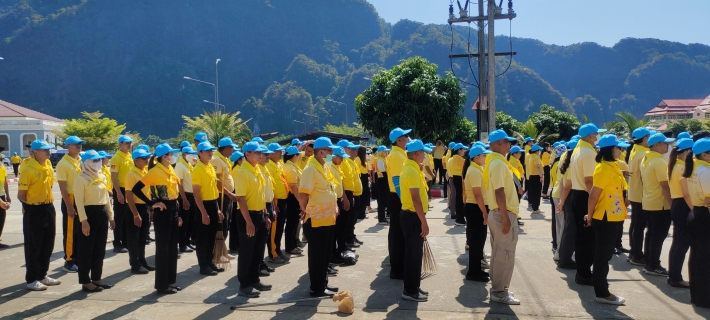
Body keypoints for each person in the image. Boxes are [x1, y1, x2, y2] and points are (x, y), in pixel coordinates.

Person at [130, 143, 184, 294]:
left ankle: (170, 281)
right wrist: (151, 203)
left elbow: (174, 193)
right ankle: (162, 285)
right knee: (163, 248)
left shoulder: (170, 169)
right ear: (164, 157)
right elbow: (136, 189)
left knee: (173, 247)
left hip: (173, 207)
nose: (173, 156)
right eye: (171, 154)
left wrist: (178, 214)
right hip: (163, 210)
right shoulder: (154, 172)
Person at [584, 135, 629, 305]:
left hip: (614, 216)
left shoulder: (613, 167)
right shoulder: (603, 169)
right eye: (619, 148)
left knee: (605, 255)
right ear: (610, 149)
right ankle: (602, 293)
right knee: (602, 256)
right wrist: (589, 215)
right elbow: (593, 196)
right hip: (605, 218)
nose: (621, 150)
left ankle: (602, 289)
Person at [483, 130, 520, 305]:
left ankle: (499, 289)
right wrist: (505, 217)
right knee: (504, 254)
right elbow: (499, 191)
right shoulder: (497, 164)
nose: (509, 146)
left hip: (499, 213)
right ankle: (499, 291)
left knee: (500, 252)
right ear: (499, 143)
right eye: (507, 142)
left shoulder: (495, 162)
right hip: (502, 213)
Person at [299, 137, 339, 297]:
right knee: (318, 256)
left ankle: (323, 284)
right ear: (321, 152)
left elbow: (329, 189)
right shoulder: (310, 169)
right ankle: (317, 288)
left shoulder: (324, 167)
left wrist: (334, 206)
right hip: (316, 220)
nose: (331, 153)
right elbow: (303, 195)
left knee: (325, 254)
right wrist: (307, 211)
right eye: (329, 150)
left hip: (327, 219)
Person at [20, 140, 62, 291]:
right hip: (34, 209)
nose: (48, 152)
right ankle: (31, 279)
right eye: (45, 150)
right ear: (35, 152)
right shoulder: (28, 169)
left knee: (47, 243)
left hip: (48, 207)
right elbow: (21, 195)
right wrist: (31, 208)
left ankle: (42, 275)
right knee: (34, 245)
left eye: (49, 149)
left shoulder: (48, 165)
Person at [569, 124, 606, 286]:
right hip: (586, 196)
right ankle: (584, 273)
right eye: (596, 134)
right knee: (588, 238)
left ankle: (582, 271)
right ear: (590, 136)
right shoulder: (588, 153)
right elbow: (589, 180)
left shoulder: (578, 150)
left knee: (581, 236)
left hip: (578, 195)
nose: (597, 137)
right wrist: (595, 201)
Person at [74, 150, 116, 292]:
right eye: (94, 160)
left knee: (99, 249)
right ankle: (85, 281)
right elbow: (78, 203)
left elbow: (106, 200)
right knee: (86, 249)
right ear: (86, 163)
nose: (97, 163)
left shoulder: (102, 177)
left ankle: (96, 277)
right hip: (88, 215)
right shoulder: (81, 179)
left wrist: (110, 216)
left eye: (99, 160)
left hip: (101, 214)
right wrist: (84, 221)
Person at [234, 142, 272, 298]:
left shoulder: (257, 170)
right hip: (247, 216)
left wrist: (266, 215)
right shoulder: (243, 172)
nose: (260, 155)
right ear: (247, 154)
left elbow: (261, 196)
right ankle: (244, 284)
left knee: (258, 250)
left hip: (259, 214)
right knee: (247, 252)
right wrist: (249, 222)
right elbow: (241, 199)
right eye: (256, 152)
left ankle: (254, 279)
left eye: (260, 153)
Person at [397, 140, 431, 302]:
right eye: (423, 152)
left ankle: (414, 287)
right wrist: (423, 222)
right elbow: (415, 199)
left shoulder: (413, 168)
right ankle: (409, 290)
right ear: (417, 153)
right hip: (412, 216)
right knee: (412, 255)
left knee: (415, 254)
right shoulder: (410, 171)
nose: (425, 155)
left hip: (413, 215)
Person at [641, 133, 675, 276]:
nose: (667, 145)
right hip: (660, 203)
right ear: (656, 145)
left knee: (651, 234)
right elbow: (665, 186)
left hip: (649, 201)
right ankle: (654, 265)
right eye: (665, 143)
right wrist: (672, 204)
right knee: (658, 236)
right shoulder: (659, 161)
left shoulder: (646, 157)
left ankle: (649, 262)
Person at [682, 138, 710, 308]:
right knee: (705, 259)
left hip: (696, 214)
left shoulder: (693, 168)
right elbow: (709, 200)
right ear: (705, 154)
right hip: (704, 215)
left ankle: (697, 295)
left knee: (697, 257)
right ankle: (705, 298)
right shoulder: (705, 171)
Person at [190, 142, 223, 276]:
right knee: (203, 238)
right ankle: (203, 266)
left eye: (211, 150)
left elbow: (214, 189)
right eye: (207, 151)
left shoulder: (209, 167)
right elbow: (196, 193)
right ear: (199, 153)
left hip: (212, 204)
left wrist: (218, 209)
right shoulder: (197, 170)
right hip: (202, 205)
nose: (210, 153)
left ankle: (210, 262)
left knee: (211, 237)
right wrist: (203, 213)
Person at [56, 135, 85, 273]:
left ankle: (79, 258)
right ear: (67, 146)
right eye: (75, 144)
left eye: (80, 143)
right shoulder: (63, 163)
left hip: (82, 198)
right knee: (70, 232)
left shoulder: (81, 160)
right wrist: (69, 206)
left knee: (79, 231)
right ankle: (69, 260)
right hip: (71, 198)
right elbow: (62, 187)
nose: (79, 146)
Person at [667, 138, 693, 288]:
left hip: (677, 204)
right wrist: (694, 209)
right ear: (688, 151)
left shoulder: (674, 165)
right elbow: (686, 193)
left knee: (677, 242)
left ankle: (673, 276)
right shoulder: (682, 168)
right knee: (682, 244)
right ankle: (676, 277)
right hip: (683, 205)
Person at [463, 145, 491, 282]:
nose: (486, 157)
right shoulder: (473, 170)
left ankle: (477, 270)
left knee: (479, 241)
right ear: (476, 157)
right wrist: (484, 213)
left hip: (477, 207)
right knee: (476, 242)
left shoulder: (477, 169)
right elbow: (477, 194)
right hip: (475, 208)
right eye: (484, 155)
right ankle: (473, 273)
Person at [124, 148, 154, 275]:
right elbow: (129, 196)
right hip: (134, 207)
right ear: (136, 160)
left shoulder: (145, 171)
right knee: (134, 238)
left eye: (147, 157)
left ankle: (142, 261)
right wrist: (135, 214)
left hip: (144, 207)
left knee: (142, 237)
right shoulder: (131, 174)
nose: (146, 160)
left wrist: (150, 209)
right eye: (144, 158)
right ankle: (135, 264)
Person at [387, 127, 411, 280]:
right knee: (397, 233)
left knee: (398, 233)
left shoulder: (399, 154)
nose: (408, 138)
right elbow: (396, 180)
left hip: (398, 197)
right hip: (397, 197)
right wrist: (404, 200)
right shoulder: (396, 155)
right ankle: (397, 269)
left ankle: (399, 266)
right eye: (406, 136)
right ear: (399, 140)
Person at [627, 127, 654, 266]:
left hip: (634, 192)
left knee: (635, 225)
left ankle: (633, 252)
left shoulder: (634, 150)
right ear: (645, 139)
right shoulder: (644, 153)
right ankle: (637, 254)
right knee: (639, 226)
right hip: (641, 193)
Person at [212, 138, 239, 256]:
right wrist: (228, 193)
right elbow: (215, 180)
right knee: (221, 224)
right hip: (221, 196)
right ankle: (217, 253)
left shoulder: (224, 159)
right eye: (231, 148)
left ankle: (222, 251)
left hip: (226, 196)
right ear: (226, 148)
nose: (233, 150)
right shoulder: (216, 160)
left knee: (226, 223)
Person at [556, 139, 579, 269]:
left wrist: (561, 200)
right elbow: (567, 186)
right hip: (570, 196)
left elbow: (562, 183)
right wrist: (562, 201)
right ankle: (565, 260)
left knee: (568, 228)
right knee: (571, 230)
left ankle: (563, 257)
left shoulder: (566, 160)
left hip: (567, 197)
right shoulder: (572, 164)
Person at [109, 135, 135, 253]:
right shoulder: (116, 158)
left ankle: (125, 241)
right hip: (121, 189)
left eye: (130, 142)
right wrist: (118, 192)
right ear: (120, 144)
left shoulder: (129, 156)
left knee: (127, 216)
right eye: (126, 143)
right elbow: (113, 176)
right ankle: (117, 243)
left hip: (129, 189)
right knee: (119, 217)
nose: (129, 144)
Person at [266, 143, 290, 264]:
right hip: (276, 201)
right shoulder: (269, 166)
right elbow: (270, 186)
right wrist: (274, 205)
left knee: (280, 228)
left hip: (282, 199)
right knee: (274, 229)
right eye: (278, 152)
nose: (281, 154)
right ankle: (273, 254)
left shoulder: (277, 164)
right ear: (271, 153)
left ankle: (278, 250)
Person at [328, 146, 351, 263]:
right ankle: (332, 255)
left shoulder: (336, 167)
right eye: (341, 157)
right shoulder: (329, 168)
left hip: (338, 200)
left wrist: (344, 198)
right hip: (332, 201)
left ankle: (337, 251)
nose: (342, 159)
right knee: (332, 230)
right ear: (335, 156)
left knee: (339, 228)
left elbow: (340, 184)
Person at [175, 147, 198, 253]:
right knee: (184, 221)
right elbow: (179, 184)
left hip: (192, 195)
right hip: (185, 196)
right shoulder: (180, 166)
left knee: (191, 221)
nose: (192, 156)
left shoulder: (189, 165)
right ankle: (182, 244)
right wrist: (184, 199)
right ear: (184, 155)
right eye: (190, 154)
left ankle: (187, 241)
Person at [550, 143, 567, 259]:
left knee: (558, 222)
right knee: (561, 224)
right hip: (559, 193)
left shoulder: (556, 163)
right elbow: (562, 182)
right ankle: (559, 250)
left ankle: (557, 245)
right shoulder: (561, 163)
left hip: (555, 192)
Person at [229, 151, 245, 254]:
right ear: (239, 160)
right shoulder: (237, 170)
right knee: (235, 222)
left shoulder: (236, 169)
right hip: (236, 194)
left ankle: (235, 244)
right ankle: (234, 245)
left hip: (236, 194)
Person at [450, 143, 468, 226]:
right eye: (463, 149)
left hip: (455, 178)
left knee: (458, 198)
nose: (464, 151)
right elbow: (467, 166)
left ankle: (459, 218)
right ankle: (460, 219)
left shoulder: (454, 158)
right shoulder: (459, 159)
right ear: (459, 150)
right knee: (460, 199)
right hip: (458, 178)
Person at [526, 144, 544, 215]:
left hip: (532, 176)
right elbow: (538, 167)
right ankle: (536, 208)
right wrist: (541, 176)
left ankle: (535, 207)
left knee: (534, 193)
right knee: (537, 193)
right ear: (537, 151)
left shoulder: (530, 156)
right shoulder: (536, 157)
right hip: (536, 177)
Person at [374, 146, 390, 224]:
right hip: (382, 180)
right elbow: (383, 172)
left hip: (384, 180)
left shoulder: (384, 159)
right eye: (385, 151)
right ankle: (381, 218)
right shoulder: (380, 160)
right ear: (381, 152)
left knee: (385, 199)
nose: (386, 153)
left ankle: (385, 215)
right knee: (381, 200)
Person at [356, 146, 371, 221]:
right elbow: (357, 169)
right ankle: (360, 213)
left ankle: (363, 212)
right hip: (361, 177)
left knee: (365, 194)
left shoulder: (364, 160)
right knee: (361, 196)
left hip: (365, 177)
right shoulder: (358, 159)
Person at [0, 157, 9, 249]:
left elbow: (5, 181)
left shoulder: (2, 166)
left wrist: (7, 195)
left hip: (2, 194)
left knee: (1, 218)